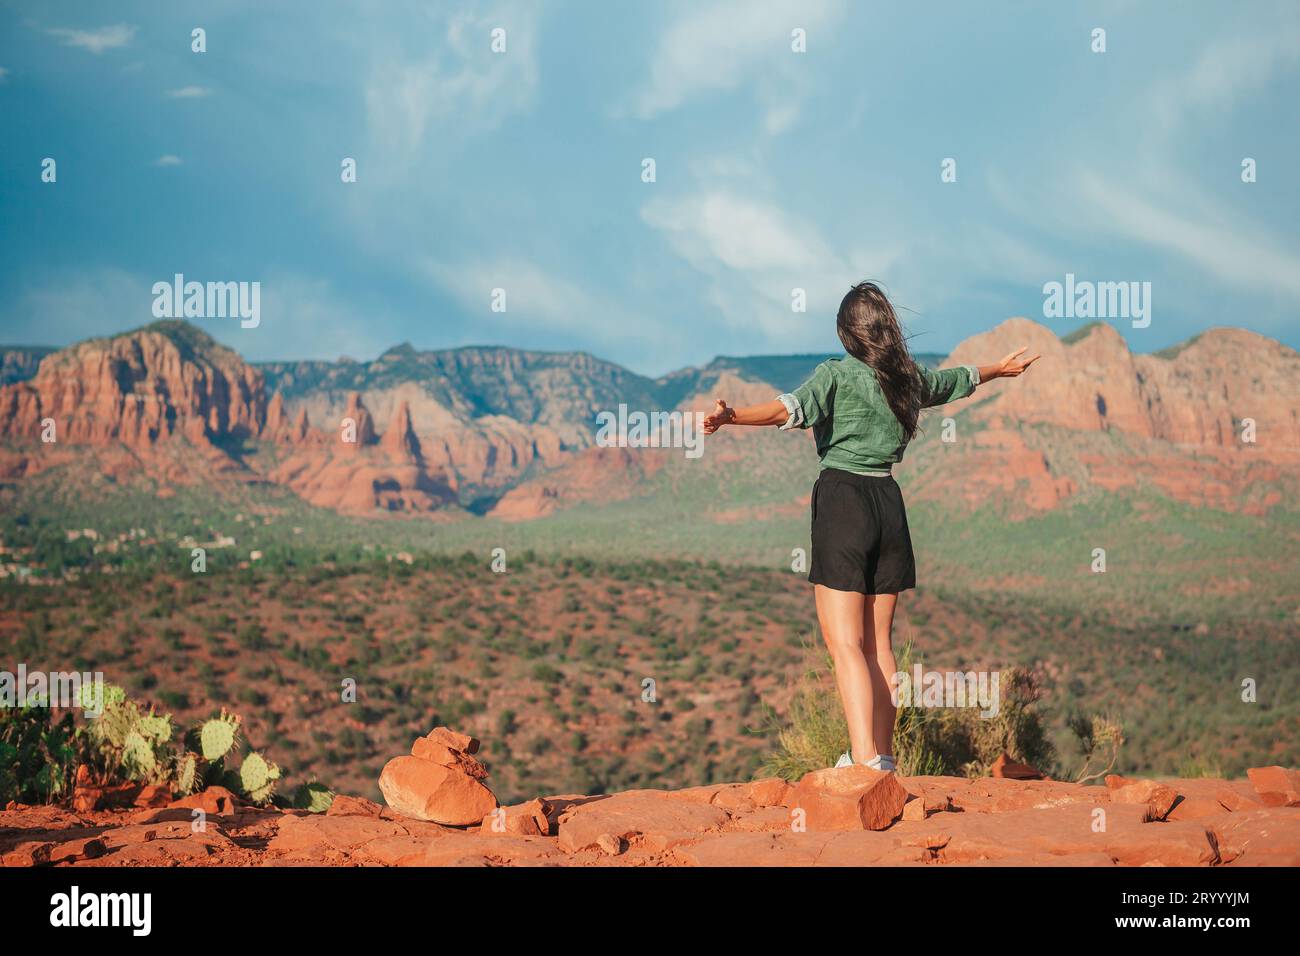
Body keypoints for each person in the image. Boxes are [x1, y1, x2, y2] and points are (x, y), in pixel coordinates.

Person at [703, 281, 1039, 771]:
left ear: (847, 333)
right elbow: (953, 380)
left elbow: (787, 410)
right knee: (878, 643)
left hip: (844, 502)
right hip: (888, 502)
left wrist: (733, 417)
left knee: (845, 645)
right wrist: (999, 370)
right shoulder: (903, 379)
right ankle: (883, 756)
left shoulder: (835, 375)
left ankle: (862, 762)